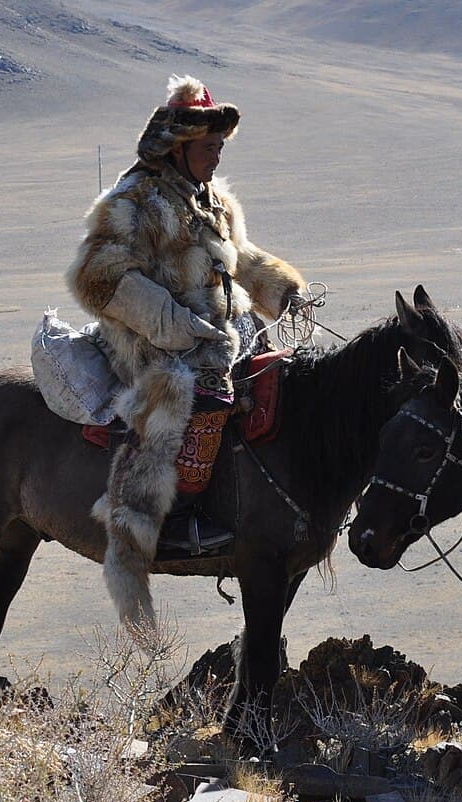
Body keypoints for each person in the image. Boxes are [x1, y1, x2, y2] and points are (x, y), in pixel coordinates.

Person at [65, 75, 306, 629]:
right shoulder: (132, 202)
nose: (216, 157)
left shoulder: (213, 200)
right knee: (181, 398)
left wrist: (282, 289)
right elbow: (97, 278)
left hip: (217, 333)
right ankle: (159, 524)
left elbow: (237, 258)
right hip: (150, 342)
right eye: (208, 148)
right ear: (178, 147)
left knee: (276, 379)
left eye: (220, 147)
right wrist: (177, 323)